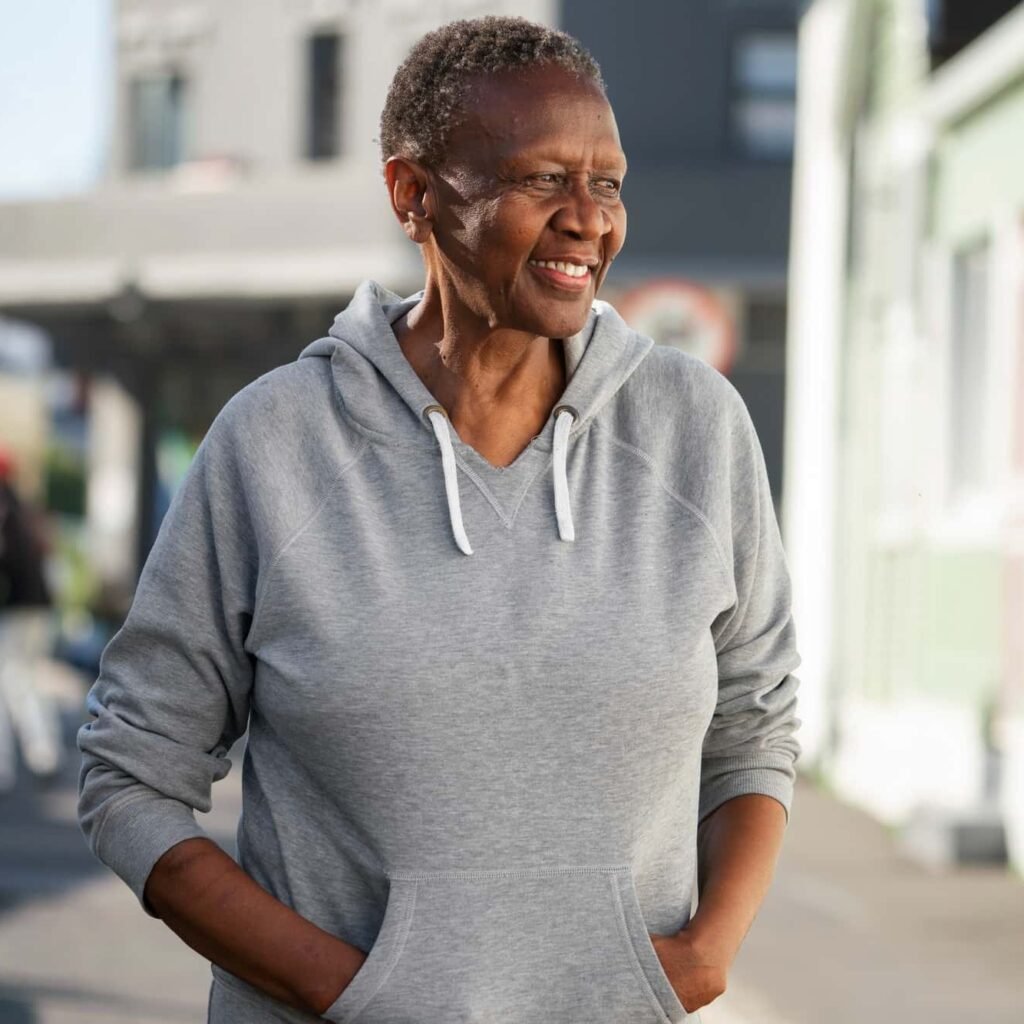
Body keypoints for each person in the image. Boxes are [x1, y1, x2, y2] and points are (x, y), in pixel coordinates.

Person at [77, 16, 802, 1024]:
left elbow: (754, 723)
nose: (587, 219)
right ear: (411, 192)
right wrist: (356, 993)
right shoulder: (274, 446)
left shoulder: (694, 430)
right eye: (542, 180)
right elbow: (130, 777)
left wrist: (703, 957)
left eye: (606, 181)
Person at [0, 446, 61, 791]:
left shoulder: (5, 507)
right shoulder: (23, 507)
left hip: (16, 609)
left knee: (11, 680)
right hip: (38, 607)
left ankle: (10, 764)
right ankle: (43, 752)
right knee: (26, 680)